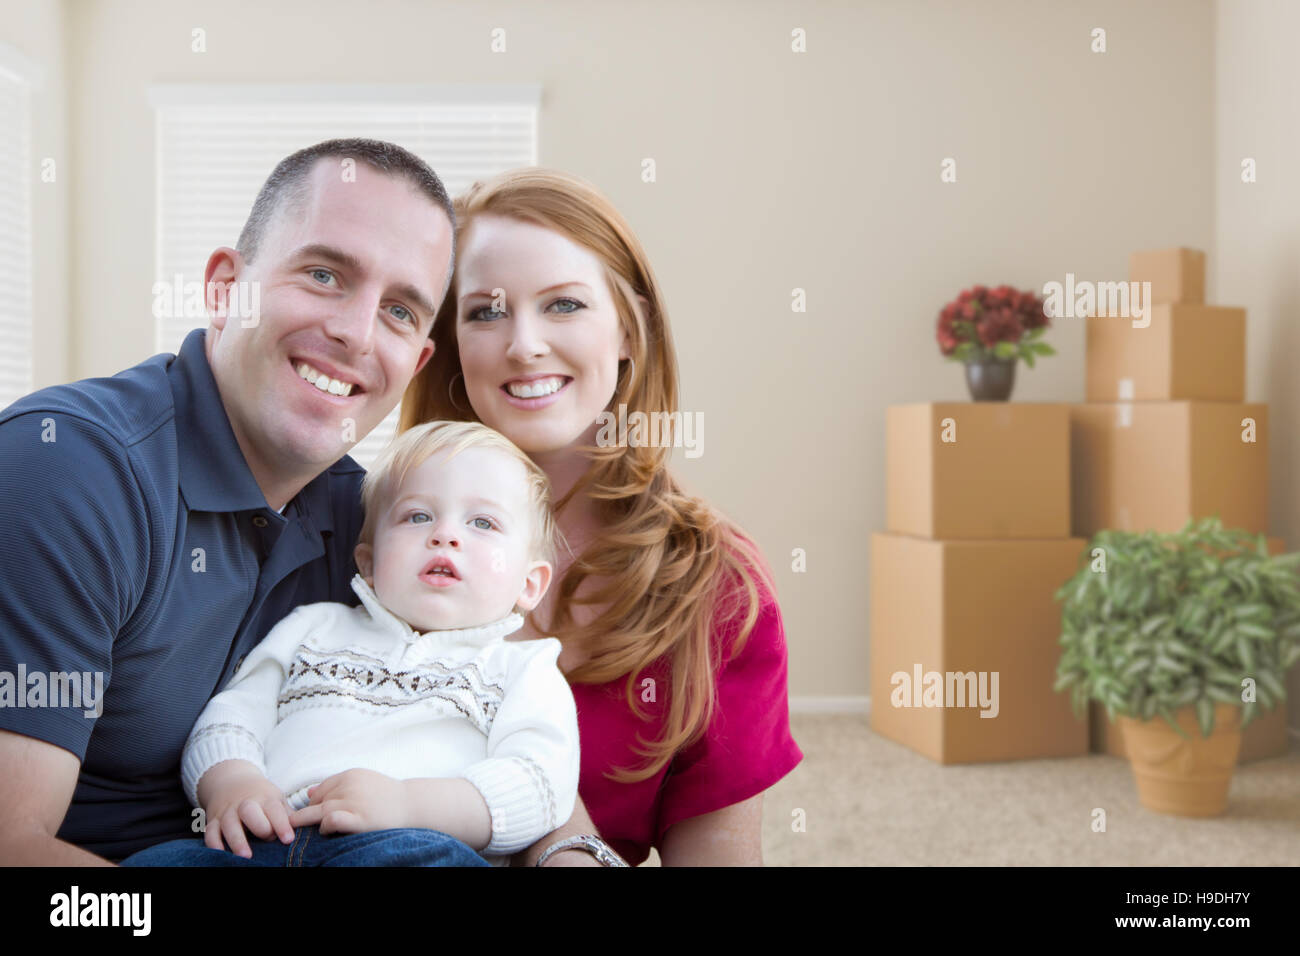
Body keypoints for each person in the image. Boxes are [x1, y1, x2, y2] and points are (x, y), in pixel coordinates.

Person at [0, 139, 458, 864]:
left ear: (417, 363)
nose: (356, 332)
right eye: (323, 273)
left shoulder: (364, 524)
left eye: (400, 311)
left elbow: (498, 698)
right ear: (223, 289)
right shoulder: (68, 469)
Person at [398, 168, 804, 867]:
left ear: (629, 329)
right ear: (452, 343)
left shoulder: (719, 585)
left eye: (562, 306)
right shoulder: (374, 535)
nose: (523, 344)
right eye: (486, 312)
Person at [120, 421, 578, 867]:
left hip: (411, 844)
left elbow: (539, 783)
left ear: (530, 583)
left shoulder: (524, 668)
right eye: (418, 516)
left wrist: (408, 804)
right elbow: (233, 714)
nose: (446, 534)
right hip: (265, 839)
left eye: (483, 522)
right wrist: (232, 782)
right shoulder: (312, 626)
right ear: (370, 563)